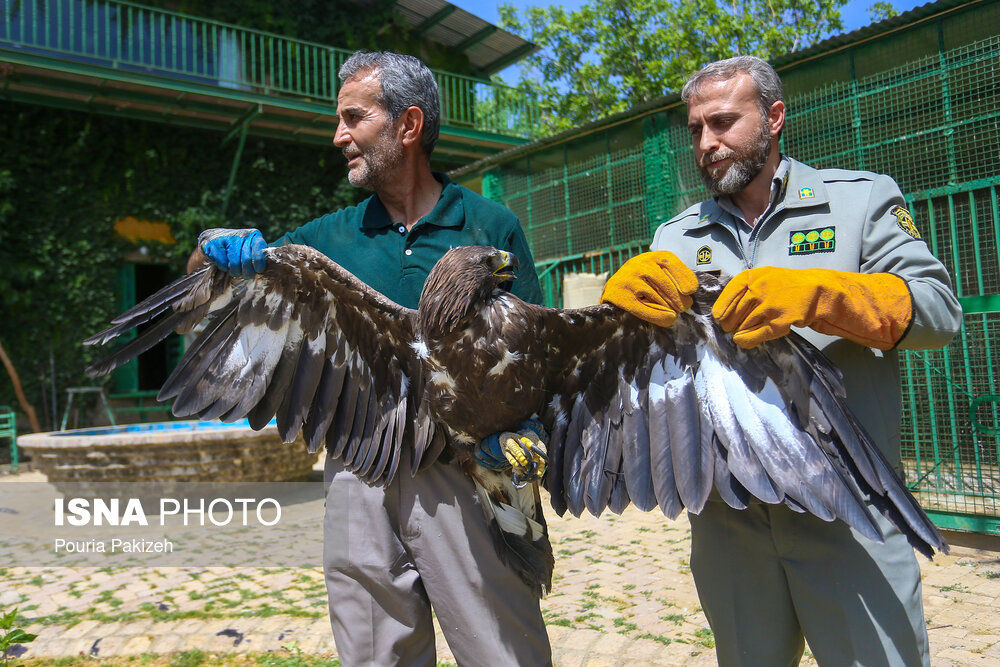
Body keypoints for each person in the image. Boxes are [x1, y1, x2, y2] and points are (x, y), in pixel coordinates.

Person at [189, 51, 551, 666]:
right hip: (358, 471)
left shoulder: (490, 227)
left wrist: (524, 430)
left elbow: (534, 357)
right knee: (374, 653)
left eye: (354, 118)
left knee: (501, 649)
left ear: (407, 126)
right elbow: (204, 295)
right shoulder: (326, 240)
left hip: (466, 470)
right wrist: (211, 253)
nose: (339, 136)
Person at [601, 55, 962, 666]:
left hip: (850, 511)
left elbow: (938, 312)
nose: (707, 144)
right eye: (695, 130)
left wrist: (821, 295)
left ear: (773, 117)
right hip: (728, 520)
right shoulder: (675, 237)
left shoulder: (859, 201)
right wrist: (620, 319)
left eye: (722, 123)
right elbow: (651, 378)